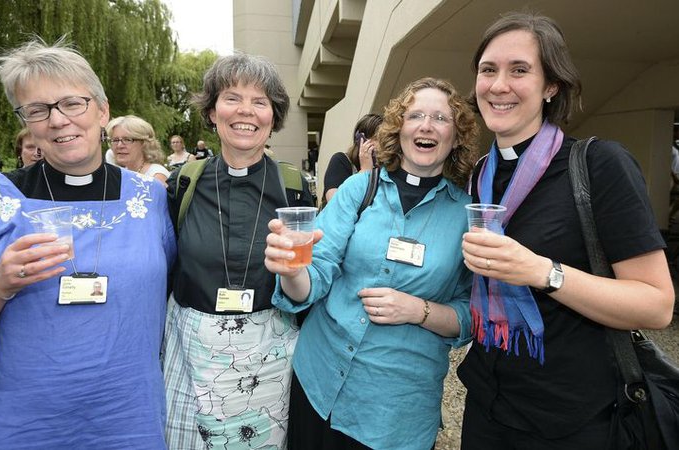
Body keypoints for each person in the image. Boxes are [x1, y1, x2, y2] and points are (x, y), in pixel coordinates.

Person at [457, 12, 675, 450]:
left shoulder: (599, 165)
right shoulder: (480, 174)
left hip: (574, 419)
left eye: (520, 70)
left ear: (551, 86)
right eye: (488, 69)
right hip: (488, 403)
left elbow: (656, 305)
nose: (499, 85)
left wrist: (542, 271)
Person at [265, 77, 479, 449]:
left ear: (456, 136)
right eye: (416, 115)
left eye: (441, 118)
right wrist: (292, 271)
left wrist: (419, 310)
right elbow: (316, 275)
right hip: (319, 383)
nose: (426, 125)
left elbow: (471, 315)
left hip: (395, 411)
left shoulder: (465, 216)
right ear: (400, 129)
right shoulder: (358, 190)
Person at [0, 39, 176, 448]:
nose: (58, 121)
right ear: (28, 123)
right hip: (27, 419)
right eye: (38, 109)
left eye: (72, 103)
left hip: (129, 415)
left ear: (102, 110)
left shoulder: (151, 199)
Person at [163, 52, 313, 449]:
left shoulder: (295, 188)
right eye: (232, 98)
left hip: (267, 358)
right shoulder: (183, 183)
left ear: (273, 117)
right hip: (192, 351)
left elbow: (311, 278)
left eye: (260, 102)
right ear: (212, 112)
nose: (246, 111)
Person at [321, 113, 382, 206]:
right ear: (361, 139)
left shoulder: (385, 169)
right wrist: (365, 171)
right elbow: (335, 204)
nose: (382, 144)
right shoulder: (341, 161)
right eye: (377, 138)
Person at [106, 115, 171, 186]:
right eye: (115, 140)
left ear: (144, 143)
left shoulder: (156, 177)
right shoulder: (124, 173)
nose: (119, 145)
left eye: (127, 140)